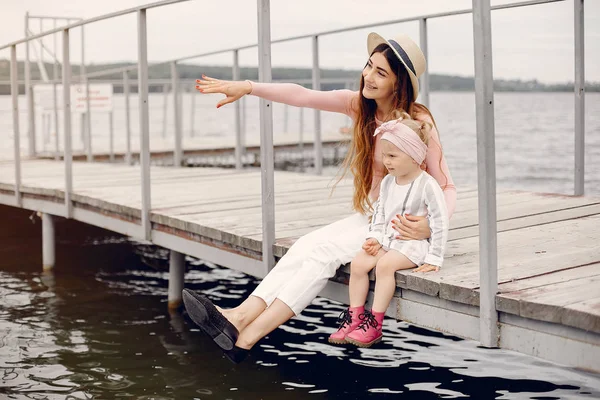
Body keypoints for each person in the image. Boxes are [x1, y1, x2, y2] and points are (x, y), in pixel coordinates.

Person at [181, 32, 456, 364]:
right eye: (369, 66)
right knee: (304, 247)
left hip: (396, 228)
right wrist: (249, 86)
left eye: (380, 72)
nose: (368, 76)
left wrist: (429, 226)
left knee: (322, 254)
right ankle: (239, 317)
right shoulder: (361, 106)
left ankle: (248, 336)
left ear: (399, 84)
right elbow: (302, 96)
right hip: (372, 215)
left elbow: (446, 187)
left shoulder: (418, 122)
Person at [328, 113, 449, 348]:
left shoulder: (428, 185)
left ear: (415, 156)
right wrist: (375, 237)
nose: (387, 162)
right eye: (385, 156)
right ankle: (355, 316)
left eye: (393, 156)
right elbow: (380, 214)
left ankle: (375, 323)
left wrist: (435, 257)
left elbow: (440, 222)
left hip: (412, 244)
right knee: (360, 263)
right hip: (389, 240)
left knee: (385, 266)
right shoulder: (388, 182)